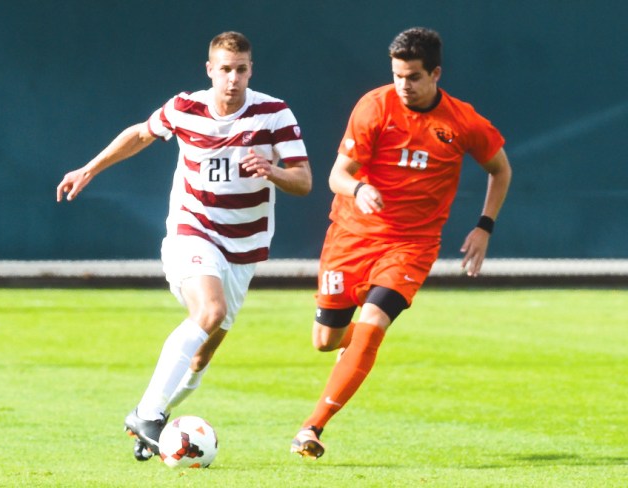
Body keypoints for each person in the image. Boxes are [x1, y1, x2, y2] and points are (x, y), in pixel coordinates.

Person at [56, 31, 312, 461]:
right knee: (208, 312)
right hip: (192, 231)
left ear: (252, 69)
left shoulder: (273, 114)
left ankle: (151, 422)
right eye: (225, 69)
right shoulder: (185, 107)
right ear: (210, 70)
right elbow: (141, 133)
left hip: (244, 248)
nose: (233, 79)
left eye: (241, 69)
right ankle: (149, 412)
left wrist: (271, 169)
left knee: (202, 354)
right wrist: (91, 168)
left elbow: (303, 181)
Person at [290, 27, 512, 459]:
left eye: (412, 76)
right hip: (351, 236)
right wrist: (357, 190)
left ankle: (311, 428)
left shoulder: (463, 121)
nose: (403, 85)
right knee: (326, 341)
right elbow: (338, 175)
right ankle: (353, 350)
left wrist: (484, 226)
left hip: (411, 244)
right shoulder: (374, 107)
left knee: (372, 326)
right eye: (397, 75)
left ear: (436, 74)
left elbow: (500, 169)